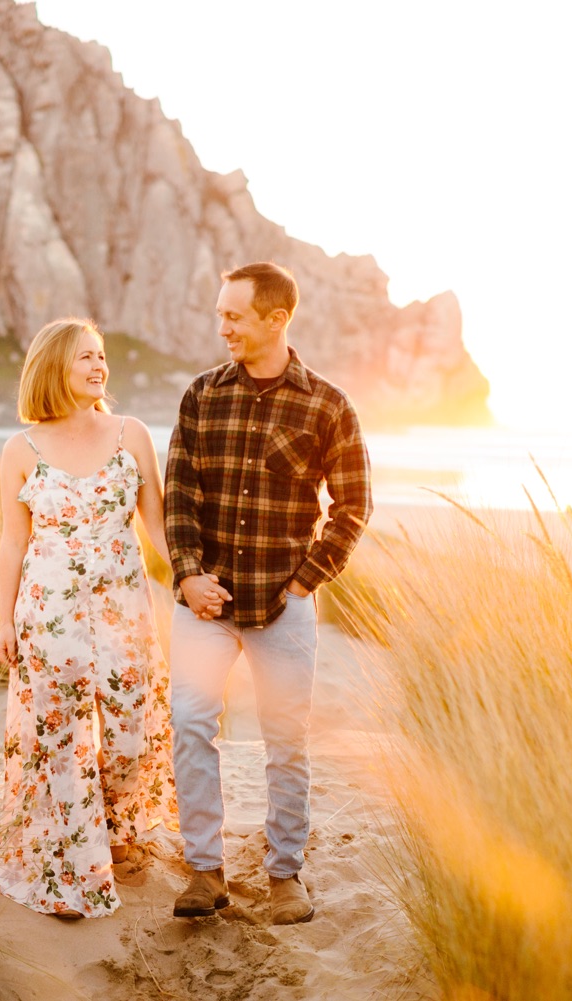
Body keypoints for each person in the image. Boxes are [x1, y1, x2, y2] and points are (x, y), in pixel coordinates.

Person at [164, 262, 372, 925]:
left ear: (275, 320)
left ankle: (285, 875)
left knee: (286, 740)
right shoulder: (201, 395)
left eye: (233, 315)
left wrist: (307, 579)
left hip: (284, 602)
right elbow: (179, 493)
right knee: (192, 723)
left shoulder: (328, 404)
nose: (221, 325)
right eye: (220, 313)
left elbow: (353, 506)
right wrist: (189, 572)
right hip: (207, 603)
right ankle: (204, 870)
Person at [0, 317, 210, 919]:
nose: (98, 366)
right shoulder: (21, 449)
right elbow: (13, 542)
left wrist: (189, 577)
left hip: (124, 610)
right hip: (49, 612)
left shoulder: (130, 434)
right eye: (85, 357)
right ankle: (70, 862)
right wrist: (5, 621)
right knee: (59, 734)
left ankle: (120, 829)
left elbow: (157, 523)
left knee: (129, 726)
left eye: (102, 356)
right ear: (54, 368)